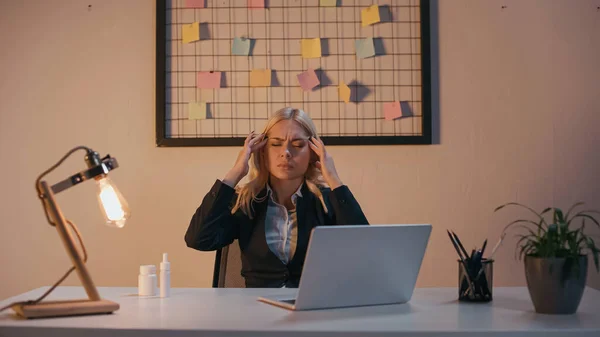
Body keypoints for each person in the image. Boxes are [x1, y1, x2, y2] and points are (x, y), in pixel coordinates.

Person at [185, 107, 369, 288]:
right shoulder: (245, 201)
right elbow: (199, 240)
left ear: (313, 151)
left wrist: (334, 179)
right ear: (262, 150)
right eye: (276, 144)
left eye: (297, 145)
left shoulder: (327, 201)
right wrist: (235, 173)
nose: (286, 152)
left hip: (312, 309)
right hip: (257, 309)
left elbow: (365, 249)